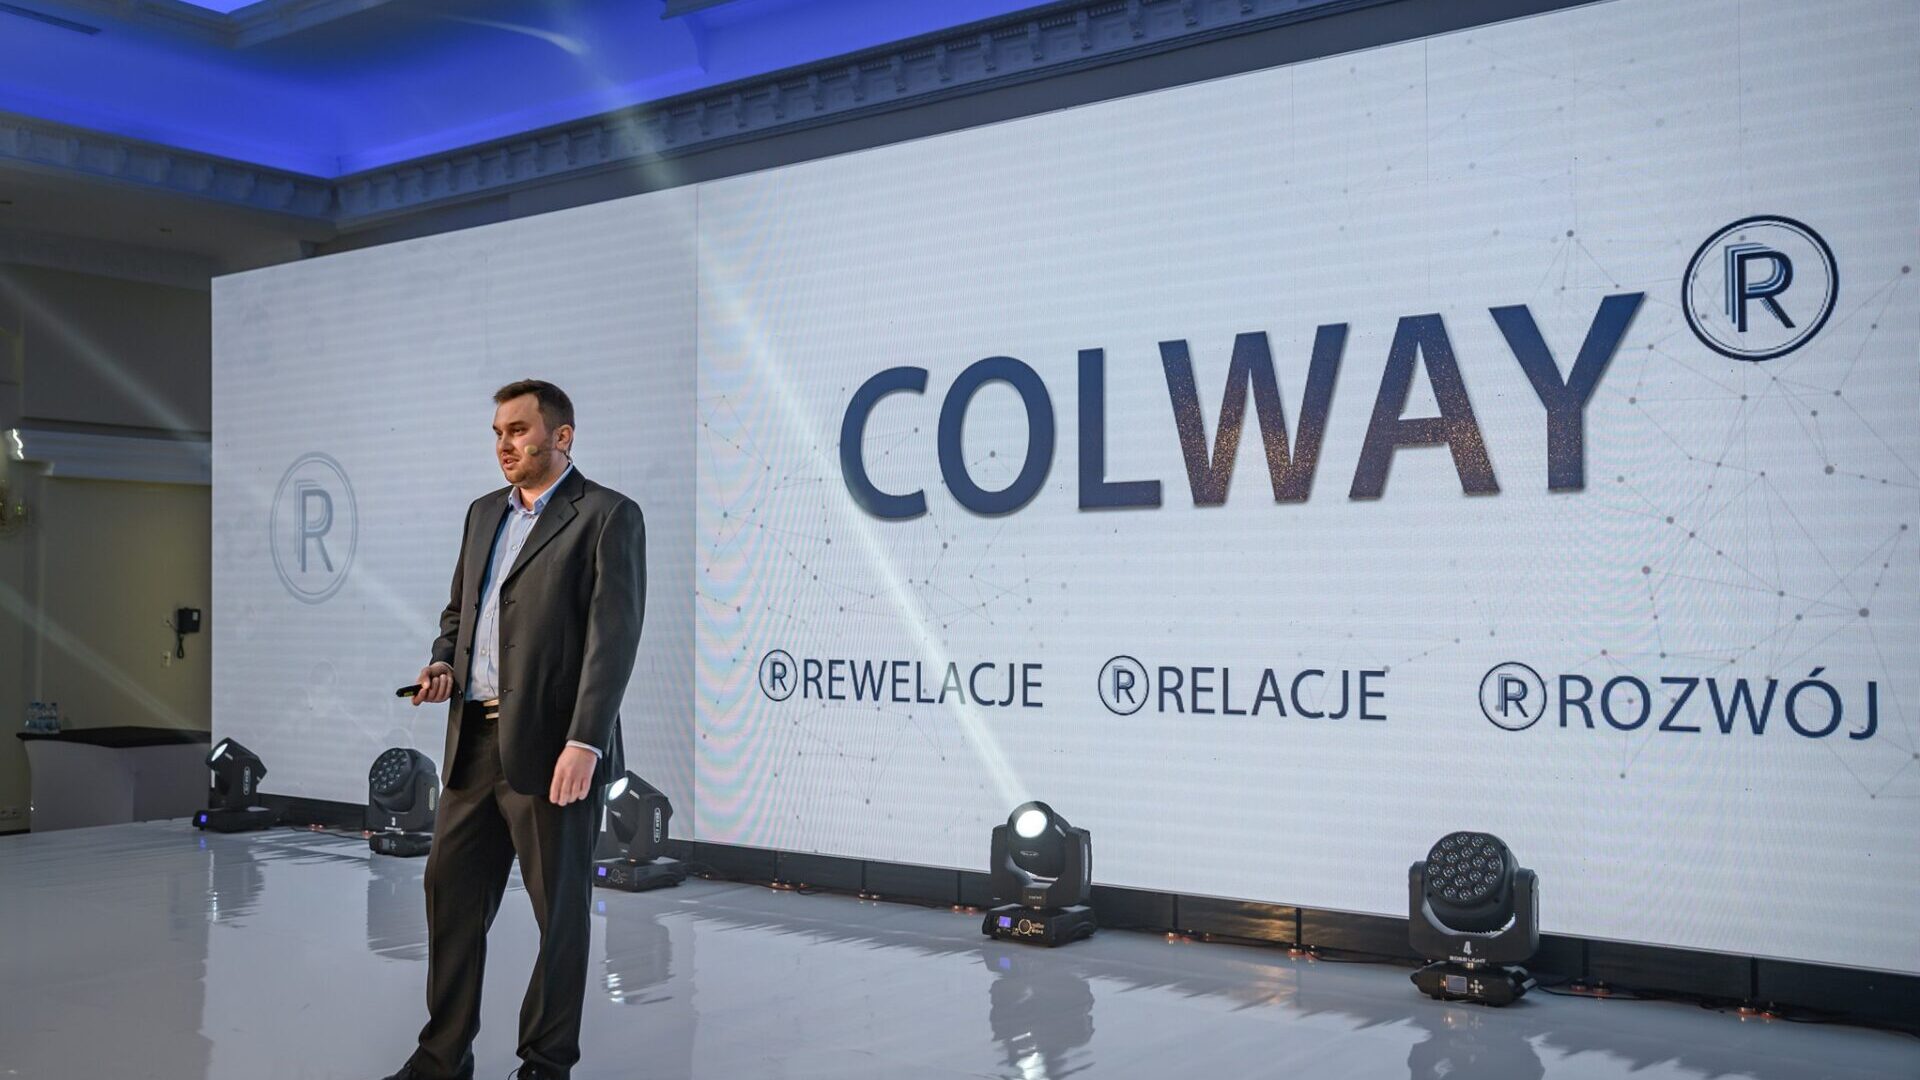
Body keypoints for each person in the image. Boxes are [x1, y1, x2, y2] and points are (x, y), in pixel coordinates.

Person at [384, 379, 646, 1080]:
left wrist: (585, 742)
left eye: (519, 430)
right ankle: (442, 1057)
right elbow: (459, 615)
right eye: (498, 432)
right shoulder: (482, 515)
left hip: (555, 751)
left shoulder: (607, 516)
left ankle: (546, 1063)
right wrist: (444, 663)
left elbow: (612, 640)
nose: (504, 444)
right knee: (449, 896)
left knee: (558, 916)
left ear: (562, 436)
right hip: (472, 745)